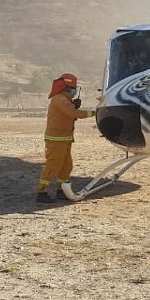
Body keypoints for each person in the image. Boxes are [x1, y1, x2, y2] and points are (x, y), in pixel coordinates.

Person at [37, 73, 95, 203]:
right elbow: (73, 113)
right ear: (66, 88)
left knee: (66, 166)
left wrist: (73, 105)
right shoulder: (59, 99)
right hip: (56, 139)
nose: (74, 91)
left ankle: (60, 190)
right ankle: (42, 191)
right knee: (53, 165)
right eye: (72, 88)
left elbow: (69, 115)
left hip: (65, 138)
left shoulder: (65, 100)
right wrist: (95, 113)